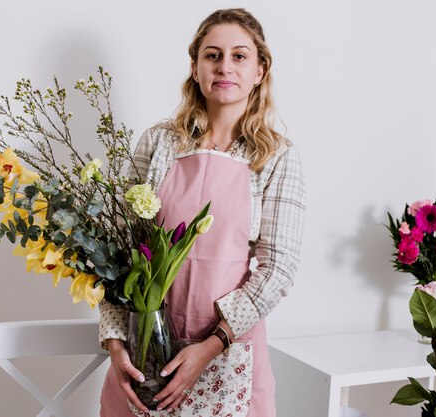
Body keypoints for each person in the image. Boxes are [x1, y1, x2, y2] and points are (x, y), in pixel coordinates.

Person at [98, 8, 306, 417]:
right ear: (195, 68)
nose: (224, 66)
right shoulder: (158, 143)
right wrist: (115, 343)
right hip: (145, 359)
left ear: (260, 70)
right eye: (212, 55)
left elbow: (278, 268)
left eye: (239, 56)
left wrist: (212, 346)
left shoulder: (278, 157)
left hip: (228, 355)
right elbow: (116, 251)